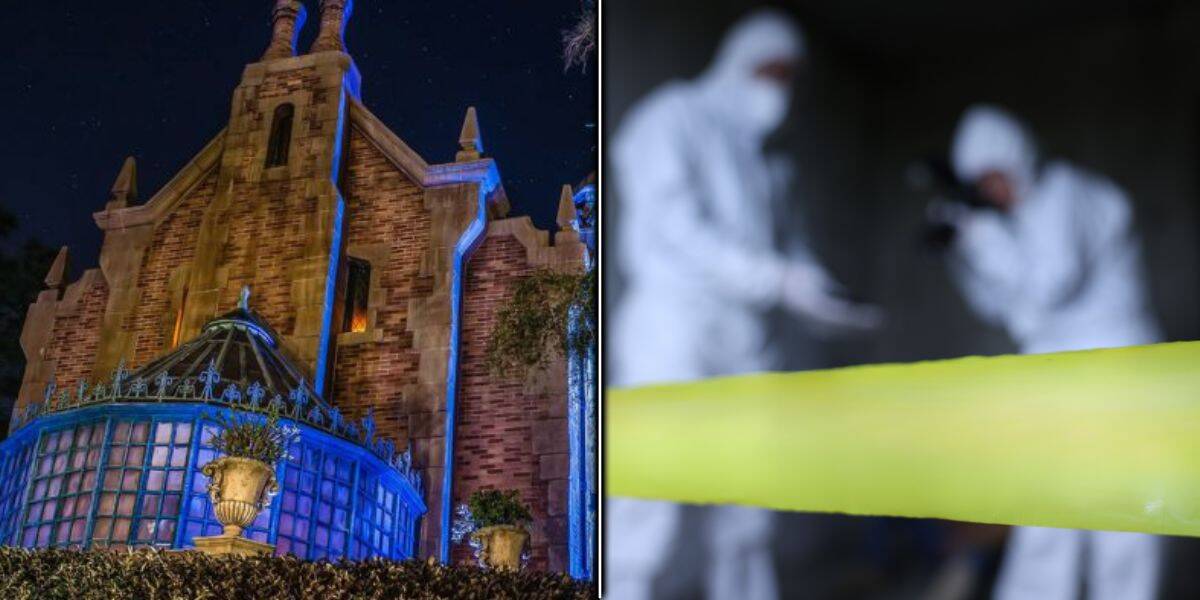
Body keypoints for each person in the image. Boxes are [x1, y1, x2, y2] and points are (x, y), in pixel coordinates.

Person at [607, 9, 882, 600]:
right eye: (769, 70)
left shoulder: (767, 165)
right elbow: (675, 227)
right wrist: (778, 279)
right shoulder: (670, 118)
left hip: (748, 341)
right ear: (738, 62)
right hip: (675, 330)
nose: (776, 87)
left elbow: (791, 256)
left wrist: (821, 298)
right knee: (649, 501)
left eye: (788, 76)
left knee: (747, 509)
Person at [941, 104, 1162, 600]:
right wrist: (967, 252)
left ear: (1017, 158)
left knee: (1120, 515)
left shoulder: (1068, 193)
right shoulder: (1015, 220)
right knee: (1046, 515)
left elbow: (1050, 286)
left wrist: (985, 239)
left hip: (1116, 374)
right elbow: (1005, 308)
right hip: (1059, 377)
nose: (992, 192)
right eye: (981, 185)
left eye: (995, 176)